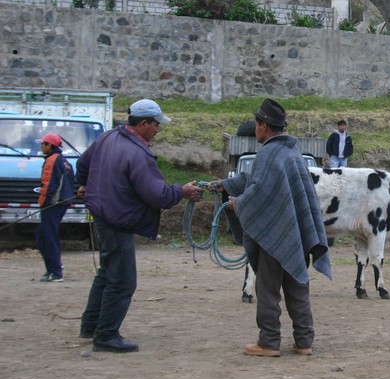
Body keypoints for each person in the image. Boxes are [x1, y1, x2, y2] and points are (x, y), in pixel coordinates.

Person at [77, 99, 204, 353]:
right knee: (122, 281)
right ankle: (106, 335)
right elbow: (157, 195)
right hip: (117, 220)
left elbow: (82, 164)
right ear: (144, 123)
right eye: (156, 125)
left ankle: (91, 326)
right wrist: (183, 191)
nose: (159, 130)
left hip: (103, 215)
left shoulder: (108, 137)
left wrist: (83, 185)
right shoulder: (137, 153)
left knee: (107, 272)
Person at [215, 98, 331, 357]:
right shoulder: (292, 152)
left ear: (263, 127)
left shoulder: (268, 153)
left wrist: (237, 204)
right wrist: (227, 184)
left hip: (275, 234)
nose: (255, 130)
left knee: (267, 288)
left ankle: (268, 342)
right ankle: (304, 341)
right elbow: (257, 179)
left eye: (256, 125)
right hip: (296, 233)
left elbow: (258, 190)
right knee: (297, 284)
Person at [35, 132, 74, 283]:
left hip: (52, 203)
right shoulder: (64, 161)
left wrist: (43, 202)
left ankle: (56, 272)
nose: (41, 146)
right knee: (42, 236)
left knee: (47, 236)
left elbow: (49, 184)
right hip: (61, 202)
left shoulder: (51, 160)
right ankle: (53, 267)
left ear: (49, 145)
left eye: (43, 144)